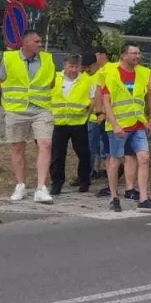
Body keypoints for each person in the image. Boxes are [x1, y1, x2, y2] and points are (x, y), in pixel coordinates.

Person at [0, 29, 56, 203]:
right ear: (25, 43)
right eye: (36, 41)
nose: (40, 44)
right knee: (17, 147)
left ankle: (41, 188)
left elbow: (51, 82)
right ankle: (20, 185)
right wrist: (7, 104)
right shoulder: (9, 58)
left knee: (45, 143)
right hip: (16, 109)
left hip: (41, 108)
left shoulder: (47, 59)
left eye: (40, 41)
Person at [100, 43, 151, 213]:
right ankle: (113, 196)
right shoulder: (110, 71)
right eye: (133, 53)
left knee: (143, 157)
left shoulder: (144, 72)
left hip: (138, 123)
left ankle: (143, 198)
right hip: (119, 124)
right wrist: (113, 124)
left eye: (139, 53)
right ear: (123, 55)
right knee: (115, 159)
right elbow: (106, 99)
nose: (137, 56)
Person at [49, 52, 95, 195]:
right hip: (59, 122)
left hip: (79, 122)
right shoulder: (55, 78)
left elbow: (93, 99)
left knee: (83, 153)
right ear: (64, 65)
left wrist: (87, 114)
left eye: (77, 67)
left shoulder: (87, 80)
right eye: (71, 66)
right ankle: (57, 183)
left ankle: (84, 181)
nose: (74, 70)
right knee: (57, 155)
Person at [87, 45, 111, 183]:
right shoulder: (93, 73)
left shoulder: (111, 70)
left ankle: (109, 172)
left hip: (107, 116)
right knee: (94, 146)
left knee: (106, 147)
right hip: (94, 116)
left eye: (96, 56)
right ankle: (93, 170)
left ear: (102, 55)